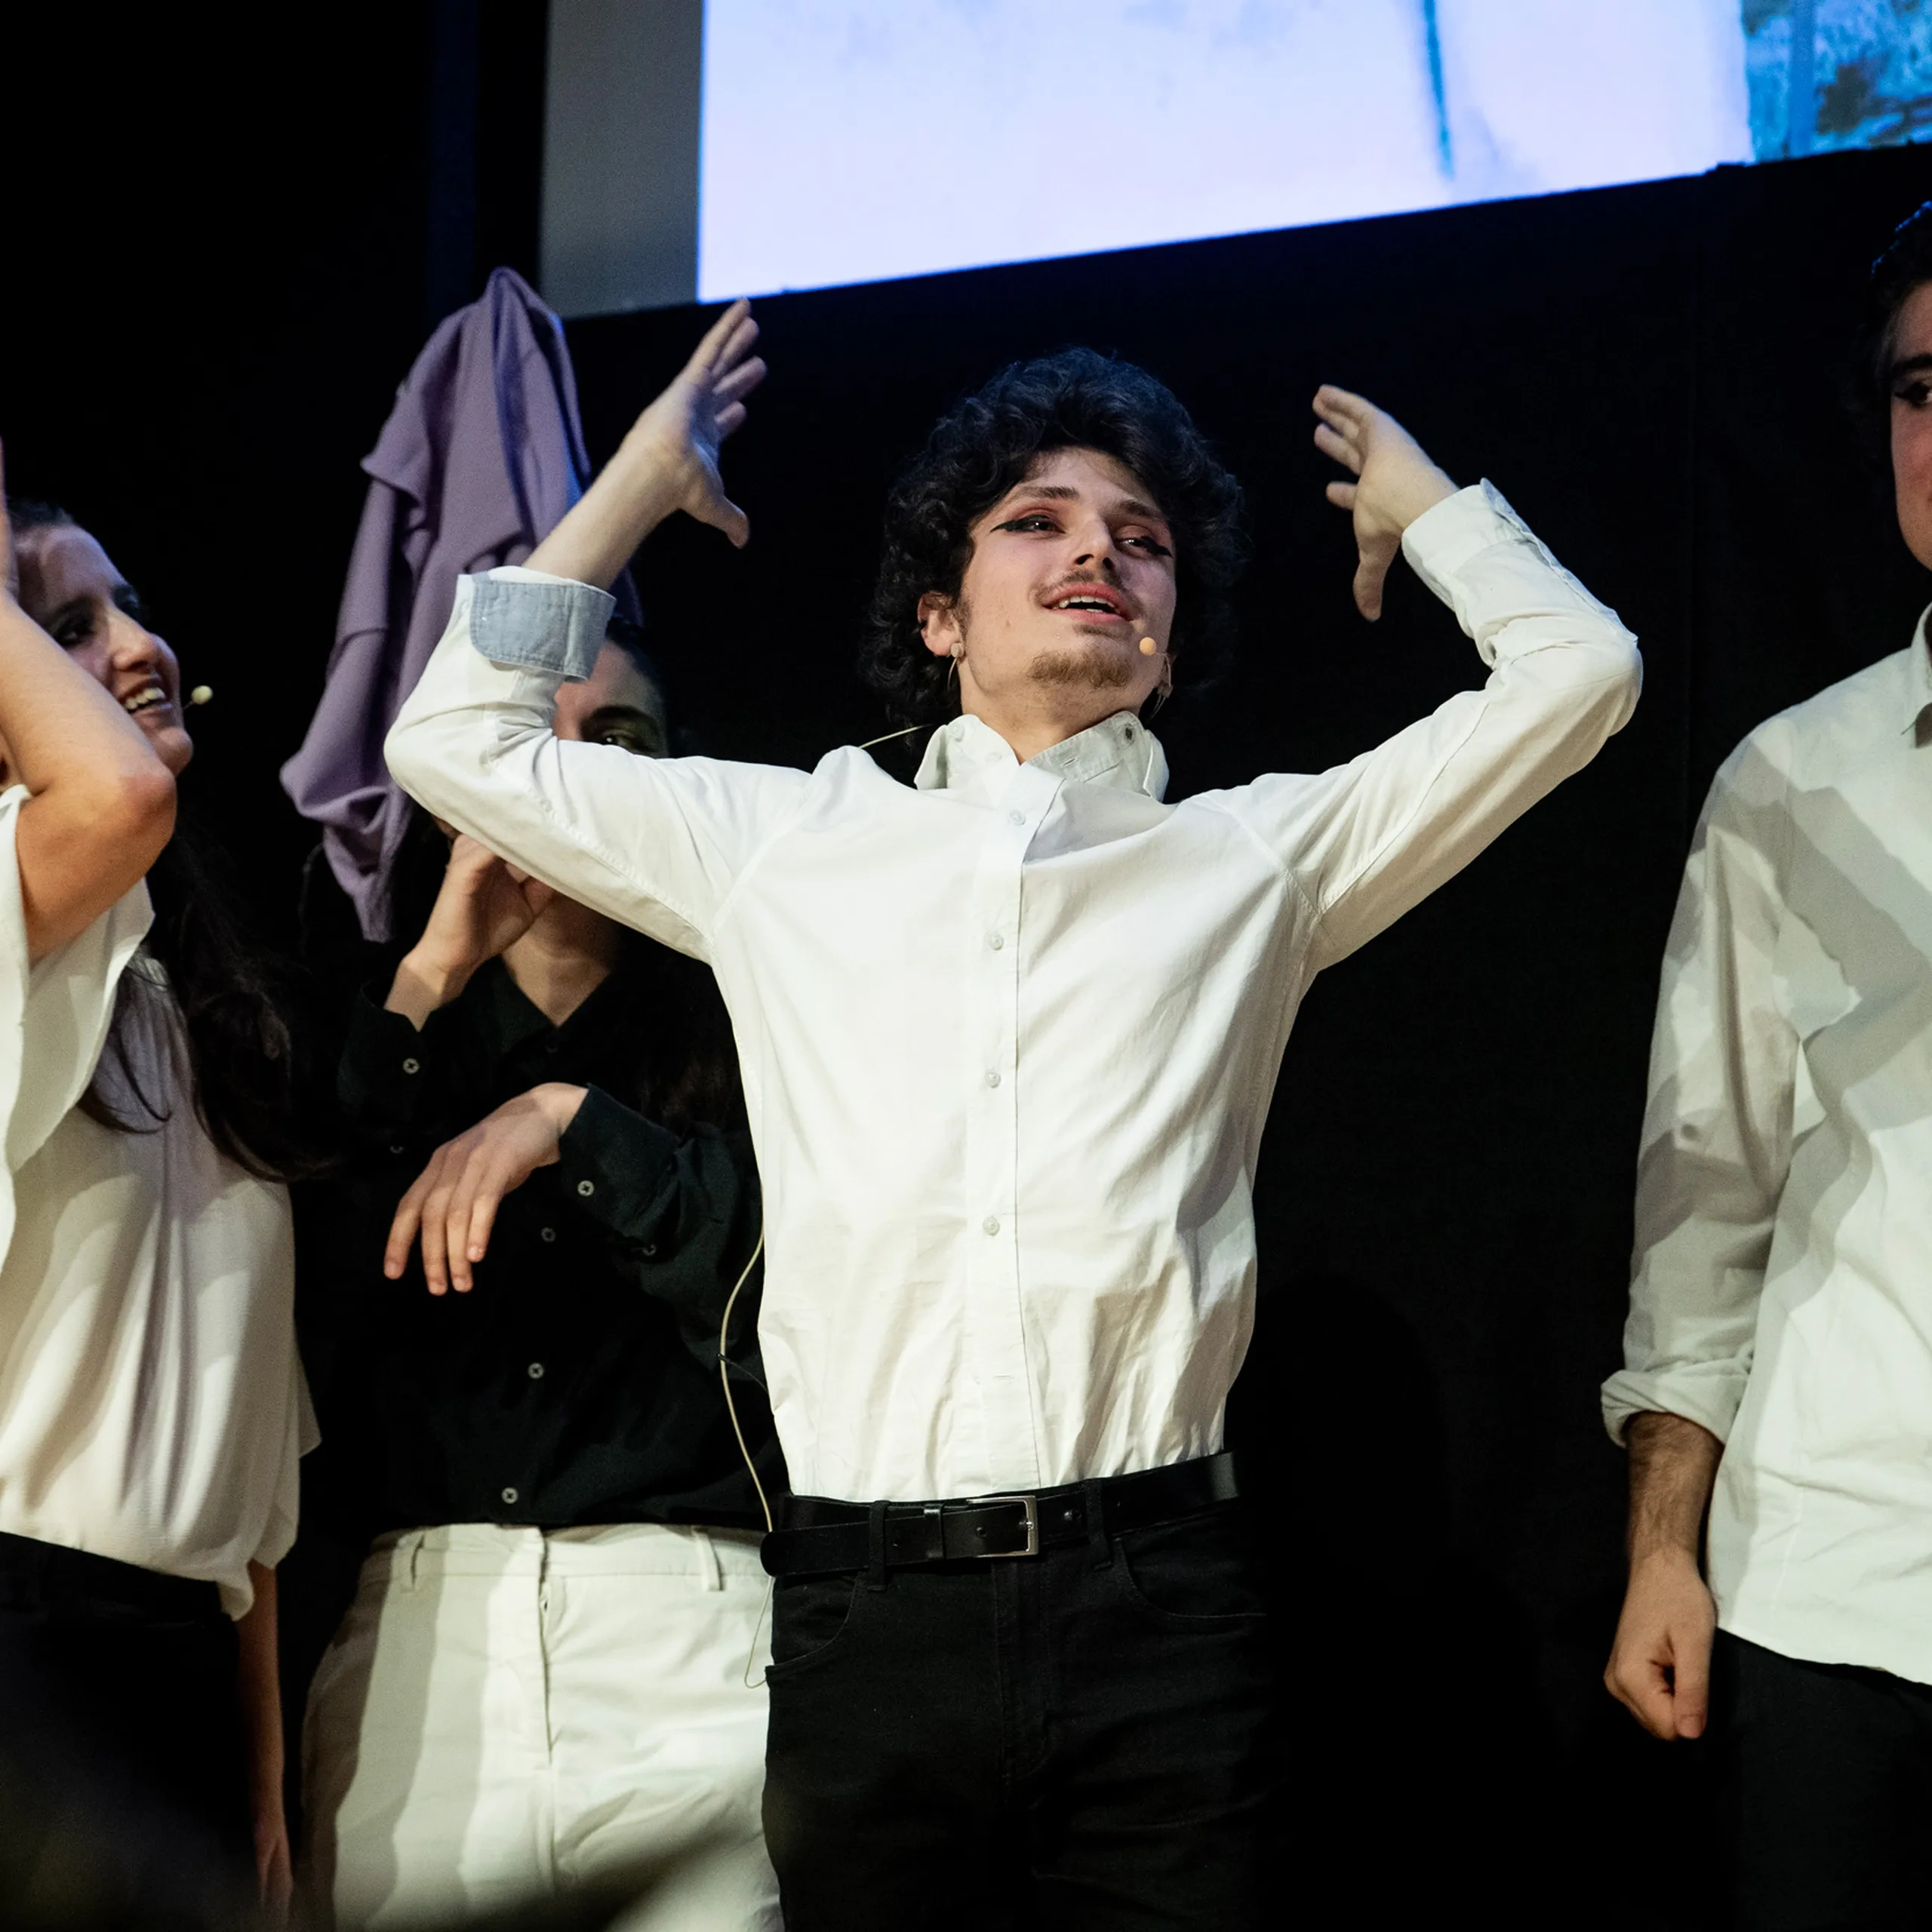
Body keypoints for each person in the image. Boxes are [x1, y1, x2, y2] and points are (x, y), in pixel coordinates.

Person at [384, 300, 1641, 1929]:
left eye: (1140, 538)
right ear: (937, 614)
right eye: (1033, 522)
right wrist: (635, 484)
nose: (1094, 555)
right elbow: (447, 735)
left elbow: (1581, 670)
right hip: (864, 1613)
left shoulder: (1253, 856)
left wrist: (1432, 511)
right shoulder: (786, 838)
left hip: (1161, 1614)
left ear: (1169, 636)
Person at [300, 620, 780, 1929]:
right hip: (423, 1634)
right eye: (531, 744)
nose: (568, 779)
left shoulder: (763, 1025)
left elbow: (770, 1301)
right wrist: (426, 981)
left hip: (688, 1626)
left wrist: (580, 1122)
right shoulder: (385, 1044)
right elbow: (305, 1305)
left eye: (618, 742)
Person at [1604, 200, 1932, 1928]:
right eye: (1920, 387)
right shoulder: (1785, 784)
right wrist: (1662, 1540)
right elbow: (1703, 1196)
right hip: (1837, 1591)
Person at [0, 486, 314, 1914]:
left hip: (176, 1653)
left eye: (127, 602)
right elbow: (119, 795)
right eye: (70, 625)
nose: (139, 645)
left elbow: (242, 1490)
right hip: (30, 1638)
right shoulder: (18, 917)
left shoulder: (185, 1004)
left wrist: (258, 1773)